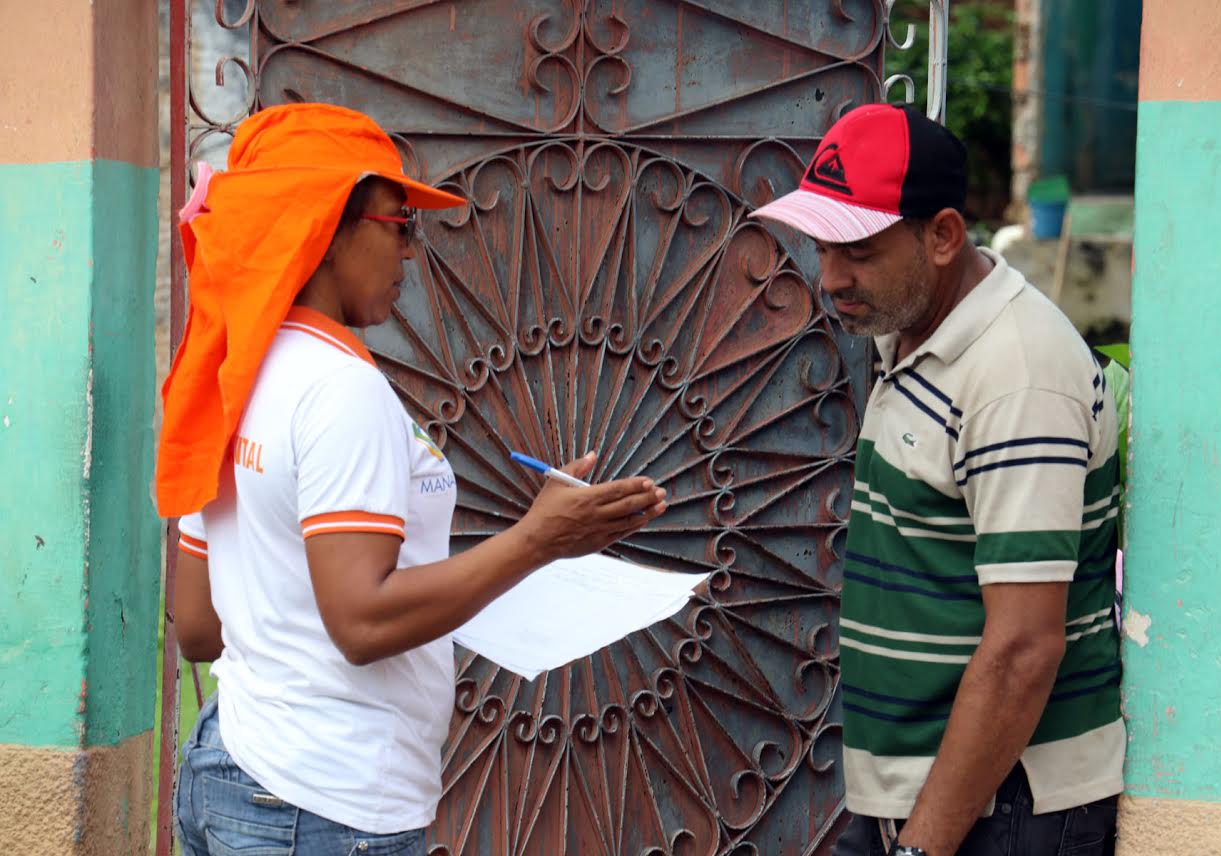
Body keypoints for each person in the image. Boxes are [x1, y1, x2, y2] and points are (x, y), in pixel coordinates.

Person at [159, 103, 668, 855]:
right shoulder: (338, 388)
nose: (410, 252)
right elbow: (362, 623)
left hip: (233, 768)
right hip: (326, 802)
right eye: (400, 225)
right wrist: (540, 540)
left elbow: (199, 627)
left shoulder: (230, 373)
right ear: (326, 226)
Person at [751, 104, 1122, 856]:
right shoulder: (919, 332)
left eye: (858, 251)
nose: (831, 278)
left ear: (944, 236)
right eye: (822, 248)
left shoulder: (1017, 375)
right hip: (938, 799)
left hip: (1006, 809)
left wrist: (922, 846)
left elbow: (1024, 648)